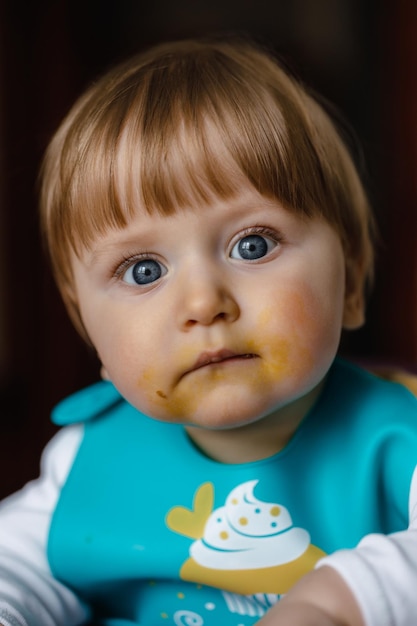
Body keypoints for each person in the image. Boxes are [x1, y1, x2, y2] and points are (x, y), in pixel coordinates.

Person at [0, 35, 416, 626]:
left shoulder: (398, 439)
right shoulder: (89, 461)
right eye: (143, 271)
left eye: (253, 244)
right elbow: (14, 567)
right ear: (89, 331)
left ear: (349, 282)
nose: (203, 303)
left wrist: (340, 602)